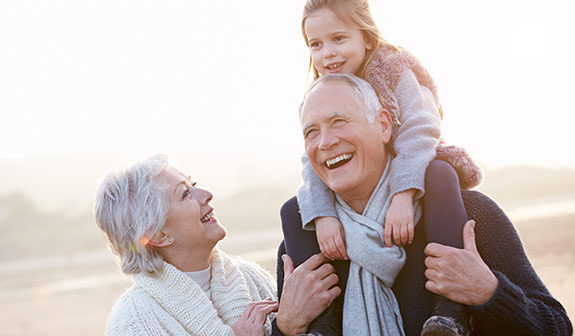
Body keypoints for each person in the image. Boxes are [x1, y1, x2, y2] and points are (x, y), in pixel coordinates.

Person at [278, 74, 572, 335]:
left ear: (383, 125)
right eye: (311, 132)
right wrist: (286, 327)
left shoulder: (468, 216)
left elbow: (557, 327)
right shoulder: (303, 245)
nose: (325, 142)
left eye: (338, 121)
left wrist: (489, 292)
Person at [294, 1, 482, 334]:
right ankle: (322, 324)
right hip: (361, 190)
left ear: (366, 38)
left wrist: (403, 195)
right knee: (292, 212)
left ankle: (450, 310)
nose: (328, 54)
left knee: (441, 174)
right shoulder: (319, 94)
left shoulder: (393, 69)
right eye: (316, 44)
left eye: (339, 39)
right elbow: (313, 163)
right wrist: (323, 215)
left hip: (415, 164)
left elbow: (420, 129)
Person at [94, 155, 341, 335]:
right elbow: (286, 328)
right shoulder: (133, 320)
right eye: (184, 194)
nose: (206, 194)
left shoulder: (250, 276)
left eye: (194, 184)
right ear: (158, 236)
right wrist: (283, 328)